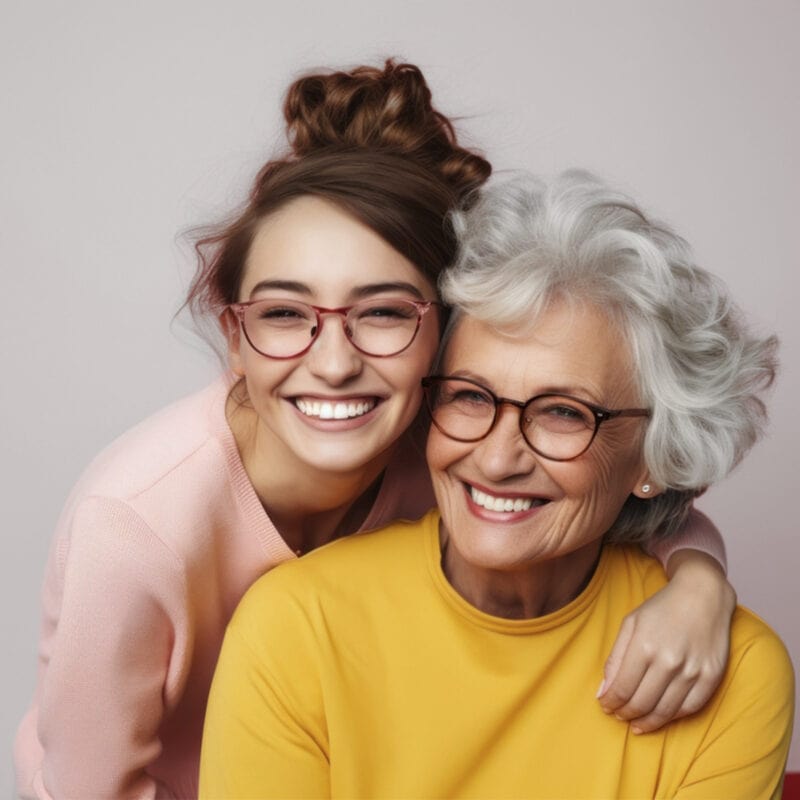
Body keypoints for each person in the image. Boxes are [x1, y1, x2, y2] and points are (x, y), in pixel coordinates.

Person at [16, 62, 732, 800]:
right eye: (285, 314)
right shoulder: (134, 528)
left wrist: (699, 583)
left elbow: (631, 496)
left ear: (447, 331)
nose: (333, 364)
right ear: (234, 336)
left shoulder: (453, 445)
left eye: (384, 313)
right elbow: (86, 789)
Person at [199, 171, 793, 800]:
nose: (497, 457)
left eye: (565, 412)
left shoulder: (734, 671)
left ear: (656, 455)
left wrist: (702, 578)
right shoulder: (296, 626)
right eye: (469, 397)